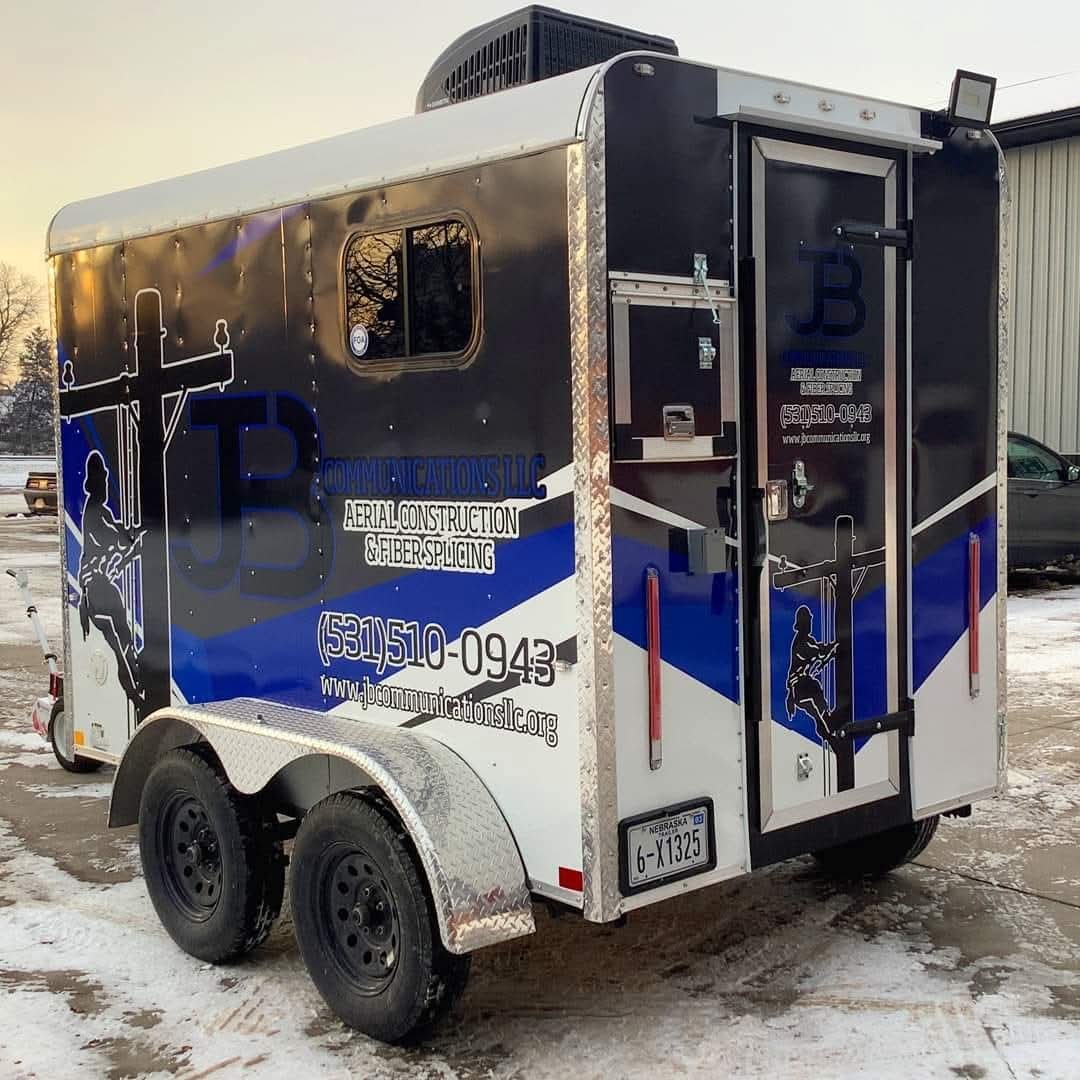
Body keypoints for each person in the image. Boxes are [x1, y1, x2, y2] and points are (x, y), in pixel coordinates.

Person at [77, 450, 143, 705]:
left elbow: (120, 535)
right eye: (103, 481)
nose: (106, 485)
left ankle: (135, 686)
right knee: (121, 641)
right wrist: (136, 537)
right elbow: (118, 538)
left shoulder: (97, 511)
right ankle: (134, 691)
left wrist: (132, 536)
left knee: (120, 641)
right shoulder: (96, 512)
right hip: (97, 589)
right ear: (96, 484)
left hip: (96, 589)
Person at [784, 604, 838, 740]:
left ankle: (828, 724)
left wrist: (830, 651)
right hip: (798, 687)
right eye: (808, 621)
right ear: (802, 624)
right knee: (814, 697)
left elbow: (819, 653)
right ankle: (828, 729)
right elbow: (817, 651)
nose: (810, 623)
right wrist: (834, 646)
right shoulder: (801, 642)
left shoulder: (808, 640)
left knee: (815, 700)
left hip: (803, 684)